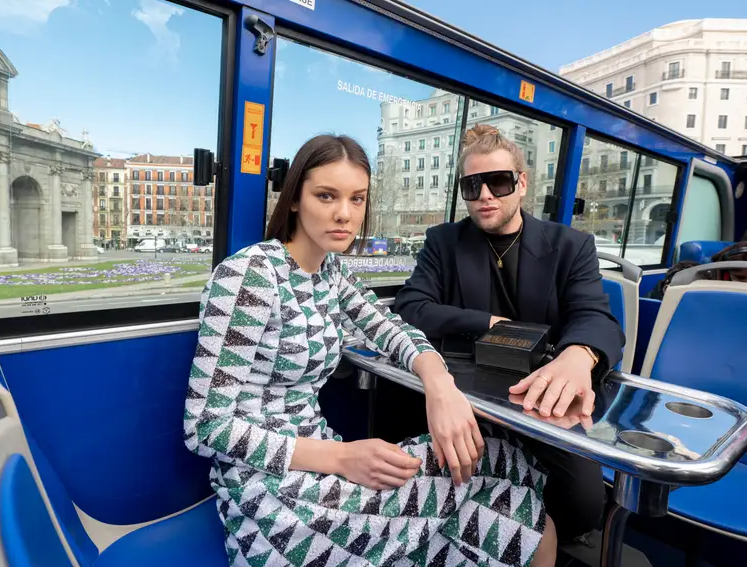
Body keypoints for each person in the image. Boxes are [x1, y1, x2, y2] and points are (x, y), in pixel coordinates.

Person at [184, 134, 557, 567]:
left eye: (357, 199)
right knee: (498, 468)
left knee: (514, 501)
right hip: (270, 493)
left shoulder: (330, 272)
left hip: (321, 464)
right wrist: (342, 457)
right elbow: (205, 427)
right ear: (294, 200)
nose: (345, 214)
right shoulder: (249, 275)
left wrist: (440, 386)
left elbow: (393, 329)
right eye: (326, 196)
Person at [388, 124, 625, 543]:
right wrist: (488, 323)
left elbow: (595, 316)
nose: (485, 195)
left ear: (522, 183)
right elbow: (411, 306)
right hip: (466, 394)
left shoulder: (570, 246)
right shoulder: (444, 242)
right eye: (472, 185)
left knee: (583, 505)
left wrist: (578, 355)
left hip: (540, 399)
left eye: (498, 182)